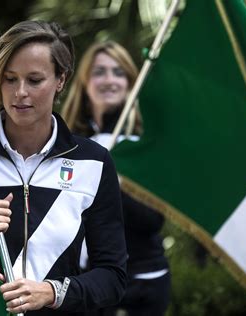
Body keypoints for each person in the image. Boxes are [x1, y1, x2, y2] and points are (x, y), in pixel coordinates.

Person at [0, 21, 127, 315]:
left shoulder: (93, 162)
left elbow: (113, 277)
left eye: (34, 80)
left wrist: (51, 292)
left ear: (61, 79)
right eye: (9, 79)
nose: (20, 92)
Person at [61, 41, 171, 316]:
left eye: (118, 72)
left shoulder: (144, 144)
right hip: (88, 285)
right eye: (99, 72)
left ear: (131, 83)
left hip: (143, 286)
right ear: (85, 83)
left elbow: (152, 220)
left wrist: (113, 182)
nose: (109, 80)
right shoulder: (69, 145)